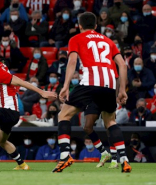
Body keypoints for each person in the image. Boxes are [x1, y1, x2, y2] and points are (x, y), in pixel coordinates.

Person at [53, 12, 131, 173]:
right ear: (96, 26)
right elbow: (122, 65)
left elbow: (73, 61)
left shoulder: (76, 39)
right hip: (110, 83)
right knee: (110, 122)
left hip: (89, 81)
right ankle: (124, 159)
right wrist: (122, 90)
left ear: (79, 26)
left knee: (64, 115)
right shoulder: (108, 41)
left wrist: (66, 85)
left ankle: (65, 156)